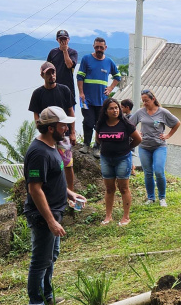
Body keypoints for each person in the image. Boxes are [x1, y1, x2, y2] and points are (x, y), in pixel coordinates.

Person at [23, 106, 83, 305]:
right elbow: (35, 189)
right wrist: (50, 221)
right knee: (40, 261)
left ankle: (47, 296)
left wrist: (69, 193)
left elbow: (53, 179)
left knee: (51, 256)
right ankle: (36, 304)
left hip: (55, 212)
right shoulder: (39, 153)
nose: (66, 128)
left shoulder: (51, 147)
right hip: (43, 217)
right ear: (51, 128)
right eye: (62, 125)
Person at [28, 62, 77, 191]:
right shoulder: (37, 93)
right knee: (48, 163)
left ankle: (71, 192)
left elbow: (71, 111)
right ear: (42, 75)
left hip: (63, 134)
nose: (51, 75)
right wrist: (41, 130)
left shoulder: (64, 90)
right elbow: (36, 115)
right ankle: (50, 190)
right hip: (47, 136)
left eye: (53, 72)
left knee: (67, 164)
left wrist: (72, 132)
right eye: (48, 73)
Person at [128, 89, 180, 206]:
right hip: (144, 146)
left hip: (159, 146)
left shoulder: (163, 112)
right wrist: (136, 132)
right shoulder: (140, 112)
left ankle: (162, 198)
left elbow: (177, 123)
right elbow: (129, 124)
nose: (145, 103)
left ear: (153, 99)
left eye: (146, 100)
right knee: (148, 173)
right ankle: (151, 197)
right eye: (143, 101)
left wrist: (168, 135)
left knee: (159, 171)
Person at [96, 98, 142, 226]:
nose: (115, 110)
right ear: (105, 111)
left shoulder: (125, 123)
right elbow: (98, 139)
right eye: (111, 108)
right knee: (109, 188)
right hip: (106, 159)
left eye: (116, 108)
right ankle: (108, 216)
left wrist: (127, 148)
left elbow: (138, 139)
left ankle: (126, 217)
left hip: (123, 159)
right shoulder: (101, 124)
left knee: (123, 188)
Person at [76, 37, 121, 155]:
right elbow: (80, 76)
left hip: (102, 101)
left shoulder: (109, 62)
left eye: (101, 47)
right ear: (93, 47)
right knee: (88, 122)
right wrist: (81, 93)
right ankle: (86, 145)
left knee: (99, 124)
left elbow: (117, 76)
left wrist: (110, 88)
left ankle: (97, 147)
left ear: (105, 48)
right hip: (87, 100)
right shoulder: (86, 59)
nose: (99, 49)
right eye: (97, 47)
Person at [46, 30, 79, 104]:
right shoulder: (53, 52)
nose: (63, 41)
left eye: (65, 39)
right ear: (57, 40)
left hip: (68, 88)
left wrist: (65, 51)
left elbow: (69, 65)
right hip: (53, 87)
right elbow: (47, 69)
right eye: (61, 39)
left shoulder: (73, 52)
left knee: (69, 113)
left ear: (68, 39)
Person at [120, 99, 137, 176]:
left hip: (129, 139)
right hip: (126, 138)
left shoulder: (131, 117)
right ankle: (132, 167)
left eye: (122, 107)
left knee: (129, 154)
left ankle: (132, 169)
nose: (121, 109)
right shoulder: (125, 116)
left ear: (127, 107)